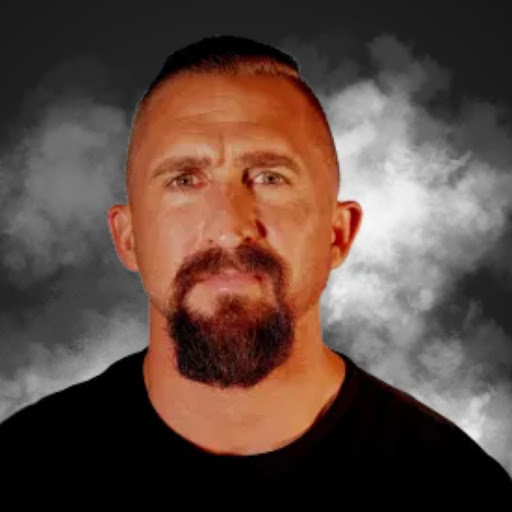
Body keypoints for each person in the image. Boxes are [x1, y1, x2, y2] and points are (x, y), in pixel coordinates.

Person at [1, 35, 511, 507]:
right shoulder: (22, 467)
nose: (228, 228)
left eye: (270, 177)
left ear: (338, 234)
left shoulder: (459, 491)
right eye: (184, 180)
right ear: (128, 237)